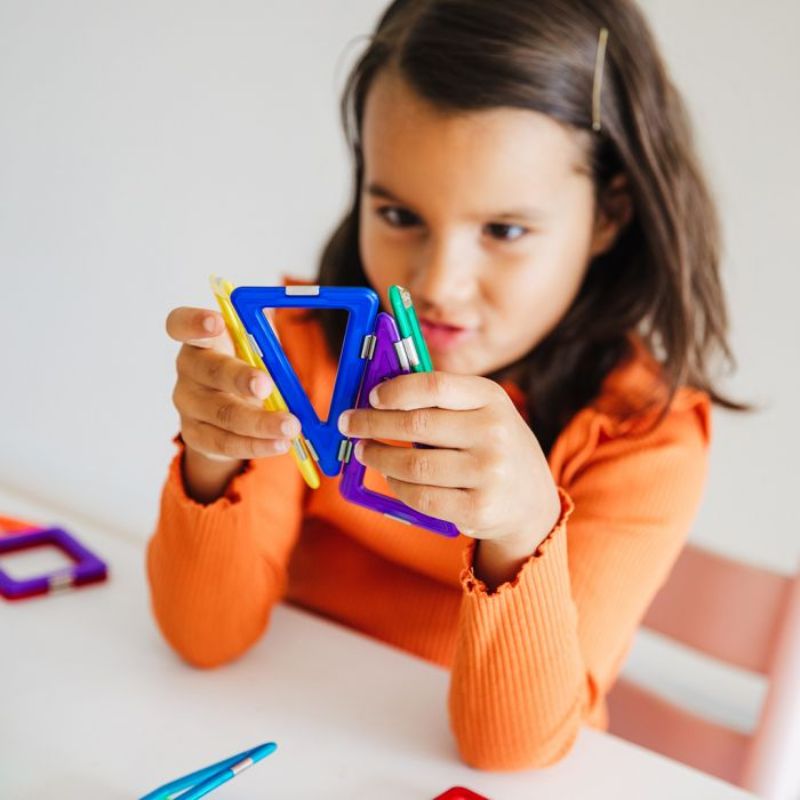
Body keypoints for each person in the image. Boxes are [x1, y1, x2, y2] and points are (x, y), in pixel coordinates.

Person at [148, 0, 743, 771]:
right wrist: (212, 460)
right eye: (397, 213)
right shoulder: (295, 353)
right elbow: (202, 640)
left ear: (608, 214)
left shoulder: (644, 439)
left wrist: (523, 528)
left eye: (504, 230)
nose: (438, 285)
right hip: (267, 739)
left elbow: (509, 754)